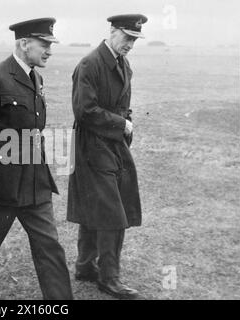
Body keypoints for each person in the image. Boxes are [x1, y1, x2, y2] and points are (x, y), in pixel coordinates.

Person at [0, 18, 73, 300]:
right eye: (44, 45)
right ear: (24, 44)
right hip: (3, 184)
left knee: (49, 245)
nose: (49, 51)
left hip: (36, 182)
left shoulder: (37, 77)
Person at [67, 14, 148, 299]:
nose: (130, 45)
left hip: (112, 145)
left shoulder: (123, 64)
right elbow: (85, 111)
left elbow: (124, 106)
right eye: (127, 38)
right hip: (91, 147)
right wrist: (121, 124)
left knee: (99, 207)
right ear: (112, 32)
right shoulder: (90, 64)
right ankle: (109, 278)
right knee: (112, 212)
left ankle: (85, 266)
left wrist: (127, 123)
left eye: (134, 40)